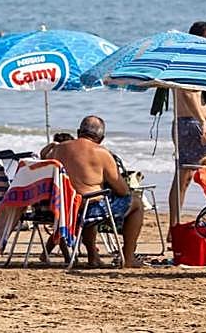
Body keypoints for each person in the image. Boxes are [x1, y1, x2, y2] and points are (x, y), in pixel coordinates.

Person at [41, 115, 144, 268]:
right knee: (136, 203)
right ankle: (128, 257)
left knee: (92, 197)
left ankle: (92, 256)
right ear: (101, 138)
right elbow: (123, 190)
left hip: (61, 208)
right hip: (87, 211)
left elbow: (44, 162)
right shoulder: (102, 153)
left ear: (78, 132)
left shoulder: (58, 150)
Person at [169, 20, 206, 228]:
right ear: (197, 38)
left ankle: (174, 228)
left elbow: (197, 100)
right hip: (191, 124)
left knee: (184, 176)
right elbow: (189, 94)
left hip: (184, 122)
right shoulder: (191, 60)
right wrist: (203, 122)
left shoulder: (186, 59)